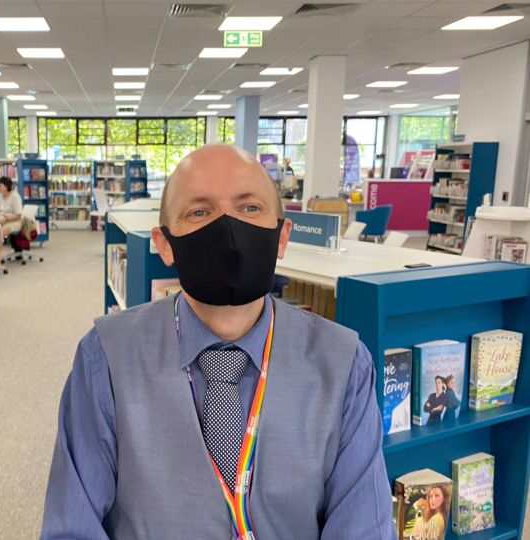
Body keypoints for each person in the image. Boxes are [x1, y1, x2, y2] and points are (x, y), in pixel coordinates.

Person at [40, 144, 396, 540]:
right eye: (199, 212)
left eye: (249, 209)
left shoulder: (344, 365)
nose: (228, 232)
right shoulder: (104, 359)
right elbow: (71, 529)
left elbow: (364, 529)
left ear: (281, 236)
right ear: (165, 244)